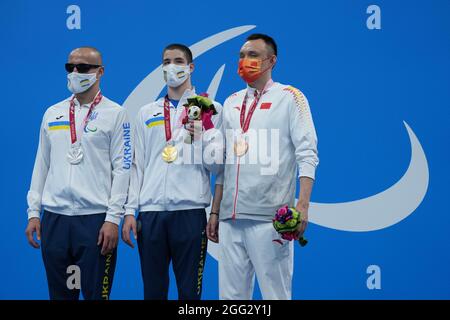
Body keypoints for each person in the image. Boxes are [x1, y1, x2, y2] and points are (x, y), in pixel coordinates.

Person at [206, 34, 319, 300]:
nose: (245, 61)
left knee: (275, 296)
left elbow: (308, 154)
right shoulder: (231, 102)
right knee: (231, 300)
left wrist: (302, 206)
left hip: (270, 218)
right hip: (231, 219)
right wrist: (215, 211)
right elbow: (224, 163)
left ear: (271, 60)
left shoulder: (291, 97)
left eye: (253, 55)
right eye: (242, 55)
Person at [25, 47, 132, 300]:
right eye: (70, 67)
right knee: (62, 296)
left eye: (83, 68)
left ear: (100, 72)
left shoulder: (116, 114)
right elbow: (42, 164)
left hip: (94, 222)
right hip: (55, 220)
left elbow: (123, 168)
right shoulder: (53, 113)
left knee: (97, 296)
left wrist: (112, 219)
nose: (75, 73)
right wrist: (33, 212)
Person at [122, 43, 223, 300]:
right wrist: (129, 210)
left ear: (190, 67)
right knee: (153, 293)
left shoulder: (210, 109)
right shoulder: (147, 112)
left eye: (178, 61)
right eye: (166, 62)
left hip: (189, 213)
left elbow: (217, 165)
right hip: (151, 214)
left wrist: (201, 135)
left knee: (190, 295)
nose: (171, 66)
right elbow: (138, 165)